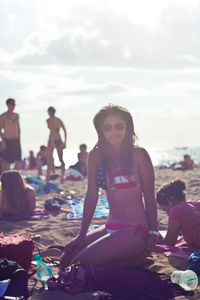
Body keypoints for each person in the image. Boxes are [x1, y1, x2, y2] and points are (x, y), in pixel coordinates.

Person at [60, 104, 158, 269]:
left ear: (128, 127)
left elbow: (149, 197)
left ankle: (132, 260)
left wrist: (153, 232)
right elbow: (92, 195)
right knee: (65, 259)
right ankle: (125, 262)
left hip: (135, 230)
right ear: (101, 130)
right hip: (110, 226)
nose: (114, 131)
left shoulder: (139, 155)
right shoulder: (96, 156)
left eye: (119, 126)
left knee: (79, 263)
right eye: (107, 127)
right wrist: (81, 235)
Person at [156, 178, 200, 247]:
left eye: (165, 210)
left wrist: (156, 233)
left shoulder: (176, 210)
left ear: (169, 202)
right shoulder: (195, 204)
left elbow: (169, 243)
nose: (167, 215)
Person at [46, 107, 67, 183]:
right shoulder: (48, 120)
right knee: (49, 159)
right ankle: (48, 176)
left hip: (57, 140)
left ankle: (62, 175)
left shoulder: (58, 120)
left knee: (60, 158)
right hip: (51, 140)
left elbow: (64, 131)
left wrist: (65, 142)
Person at [0, 98, 21, 170]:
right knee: (7, 161)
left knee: (18, 160)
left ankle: (14, 175)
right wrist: (3, 141)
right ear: (8, 105)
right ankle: (7, 176)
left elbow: (18, 128)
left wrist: (19, 138)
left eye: (14, 104)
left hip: (16, 140)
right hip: (7, 140)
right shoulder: (3, 116)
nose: (13, 106)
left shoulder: (17, 115)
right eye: (12, 104)